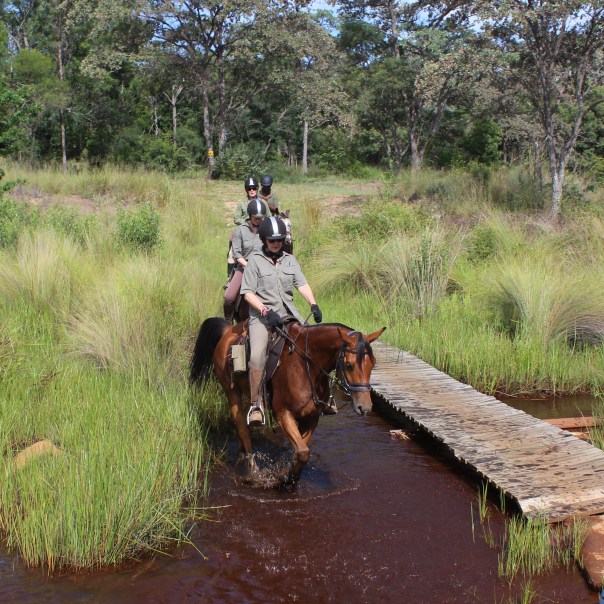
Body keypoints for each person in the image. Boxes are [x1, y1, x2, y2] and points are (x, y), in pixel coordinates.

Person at [241, 216, 322, 426]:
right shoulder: (255, 261)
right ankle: (256, 405)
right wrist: (266, 311)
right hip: (263, 318)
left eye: (279, 240)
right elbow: (248, 294)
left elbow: (301, 284)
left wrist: (313, 304)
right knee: (258, 355)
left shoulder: (290, 260)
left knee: (311, 347)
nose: (276, 243)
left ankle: (320, 396)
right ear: (264, 240)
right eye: (272, 240)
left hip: (289, 315)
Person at [223, 199, 267, 322]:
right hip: (244, 266)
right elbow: (237, 254)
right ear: (250, 216)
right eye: (256, 218)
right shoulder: (240, 230)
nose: (259, 221)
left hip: (264, 265)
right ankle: (228, 321)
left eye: (261, 218)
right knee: (229, 297)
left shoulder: (266, 229)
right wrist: (248, 265)